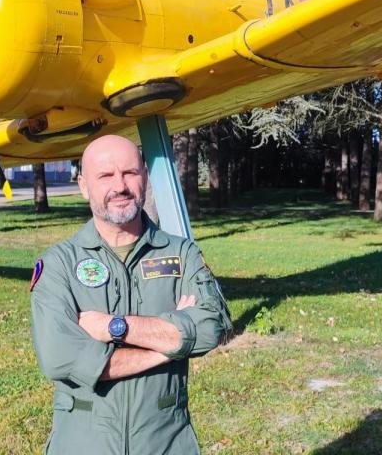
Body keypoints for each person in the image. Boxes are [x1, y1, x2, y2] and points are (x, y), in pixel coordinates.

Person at [30, 134, 233, 454]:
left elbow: (211, 327)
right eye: (105, 175)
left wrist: (116, 326)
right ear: (84, 186)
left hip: (165, 441)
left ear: (145, 178)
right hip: (83, 443)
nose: (120, 186)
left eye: (130, 173)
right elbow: (60, 358)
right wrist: (170, 347)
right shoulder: (59, 263)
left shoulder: (182, 254)